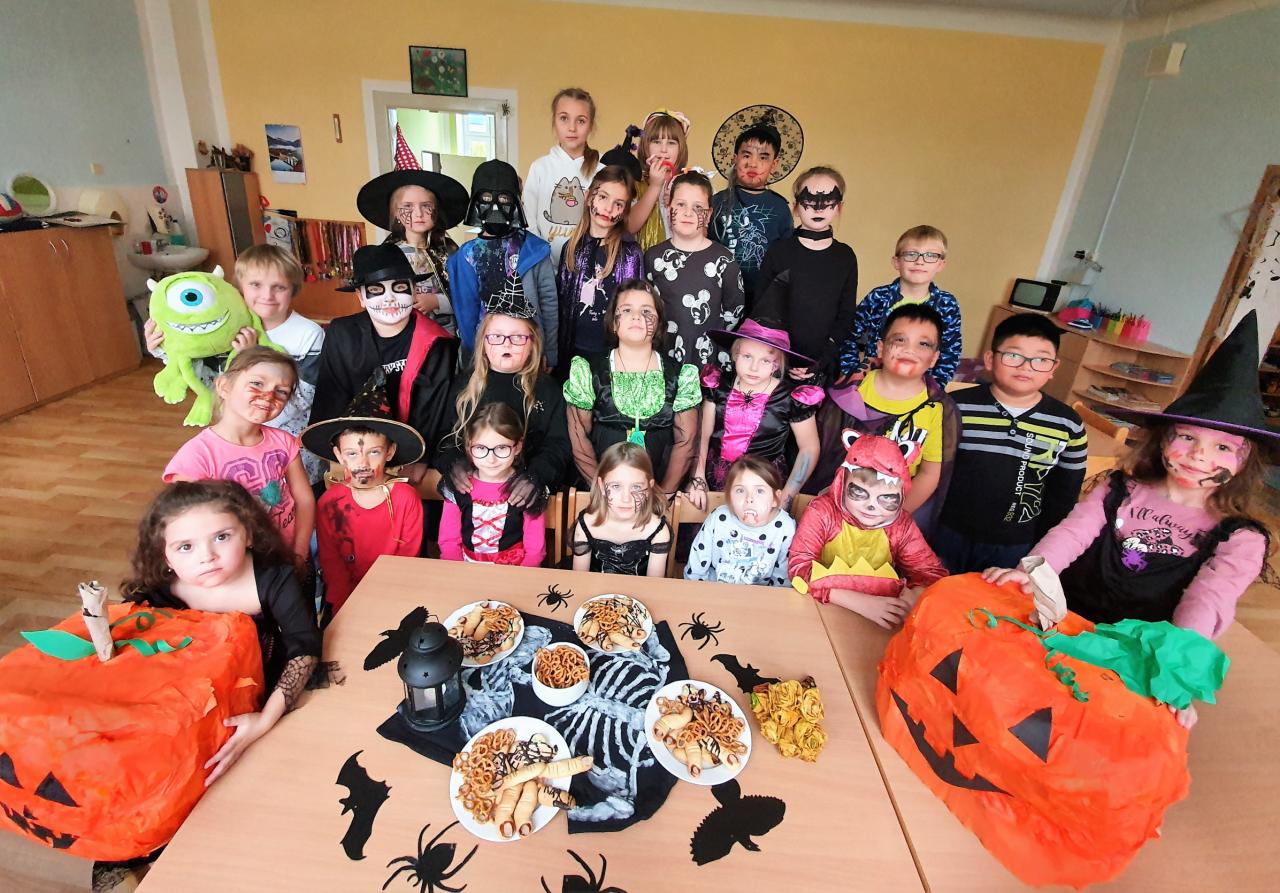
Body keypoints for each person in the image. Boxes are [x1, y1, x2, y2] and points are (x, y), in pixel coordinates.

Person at [983, 311, 1275, 727]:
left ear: (1246, 461)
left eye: (1223, 448)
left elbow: (1208, 601)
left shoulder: (1239, 538)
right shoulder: (1119, 488)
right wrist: (1032, 574)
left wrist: (1174, 670)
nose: (1199, 455)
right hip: (1063, 622)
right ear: (1163, 440)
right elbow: (1072, 534)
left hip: (1132, 656)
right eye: (1187, 437)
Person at [121, 480, 321, 784]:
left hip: (268, 695)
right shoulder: (155, 593)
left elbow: (304, 649)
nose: (207, 556)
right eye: (186, 547)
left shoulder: (275, 578)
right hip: (191, 707)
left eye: (222, 537)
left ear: (249, 534)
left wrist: (265, 720)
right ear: (165, 556)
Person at [145, 245, 326, 482]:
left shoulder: (308, 334)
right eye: (256, 285)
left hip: (292, 448)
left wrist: (251, 357)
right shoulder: (221, 328)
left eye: (279, 287)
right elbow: (208, 382)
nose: (267, 295)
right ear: (239, 287)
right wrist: (168, 350)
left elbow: (306, 397)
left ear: (293, 289)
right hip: (237, 442)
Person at [932, 313, 1087, 573]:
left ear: (1053, 368)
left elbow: (1064, 494)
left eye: (1041, 359)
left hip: (1017, 544)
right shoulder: (956, 407)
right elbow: (932, 471)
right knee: (936, 591)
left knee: (995, 598)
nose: (1026, 367)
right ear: (990, 359)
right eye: (1014, 355)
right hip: (948, 533)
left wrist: (1041, 549)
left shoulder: (1067, 424)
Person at [809, 303, 958, 539]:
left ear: (934, 358)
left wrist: (891, 518)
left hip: (890, 518)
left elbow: (929, 474)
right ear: (880, 347)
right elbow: (823, 454)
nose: (909, 350)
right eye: (899, 340)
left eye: (923, 344)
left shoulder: (937, 408)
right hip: (834, 511)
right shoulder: (849, 392)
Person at [309, 243, 457, 480]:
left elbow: (438, 409)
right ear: (361, 297)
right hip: (357, 454)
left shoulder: (438, 343)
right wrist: (341, 453)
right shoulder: (342, 334)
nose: (389, 298)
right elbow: (331, 398)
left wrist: (422, 457)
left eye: (400, 287)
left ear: (414, 292)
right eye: (376, 290)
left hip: (415, 455)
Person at [164, 347, 314, 563]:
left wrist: (300, 553)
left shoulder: (284, 442)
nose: (269, 395)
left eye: (282, 391)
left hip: (284, 557)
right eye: (257, 383)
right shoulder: (196, 457)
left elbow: (304, 500)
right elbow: (182, 523)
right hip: (232, 566)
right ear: (224, 387)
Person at [789, 434, 948, 629]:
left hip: (877, 621)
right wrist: (861, 602)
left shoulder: (901, 525)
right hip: (817, 609)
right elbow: (799, 570)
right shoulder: (822, 512)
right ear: (842, 484)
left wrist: (917, 593)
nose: (871, 506)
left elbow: (931, 573)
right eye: (859, 492)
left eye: (887, 498)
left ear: (901, 495)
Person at [563, 279, 701, 495]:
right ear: (613, 322)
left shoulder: (681, 374)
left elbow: (686, 442)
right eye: (626, 310)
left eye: (646, 311)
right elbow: (579, 439)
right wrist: (604, 494)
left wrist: (663, 496)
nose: (637, 316)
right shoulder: (588, 370)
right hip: (601, 493)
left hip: (660, 492)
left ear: (658, 324)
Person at [436, 296, 571, 510]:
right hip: (472, 494)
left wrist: (536, 476)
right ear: (484, 342)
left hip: (521, 496)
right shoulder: (464, 386)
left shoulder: (548, 390)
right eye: (496, 336)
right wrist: (453, 463)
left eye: (517, 337)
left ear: (532, 343)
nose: (506, 344)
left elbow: (558, 445)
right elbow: (444, 436)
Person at [302, 395, 425, 620]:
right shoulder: (330, 503)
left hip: (396, 595)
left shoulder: (406, 498)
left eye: (374, 452)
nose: (363, 463)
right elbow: (332, 565)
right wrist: (345, 610)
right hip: (345, 599)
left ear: (390, 452)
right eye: (352, 454)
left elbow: (407, 559)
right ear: (339, 455)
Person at [687, 317, 822, 509]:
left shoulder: (791, 398)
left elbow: (809, 448)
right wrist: (698, 478)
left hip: (764, 485)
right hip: (715, 478)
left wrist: (786, 498)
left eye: (765, 360)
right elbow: (703, 435)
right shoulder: (718, 386)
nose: (754, 367)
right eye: (747, 356)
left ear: (777, 364)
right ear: (735, 354)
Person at [449, 160, 559, 367]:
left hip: (530, 353)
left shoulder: (535, 250)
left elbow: (549, 306)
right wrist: (475, 361)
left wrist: (549, 352)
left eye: (504, 199)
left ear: (516, 202)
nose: (495, 207)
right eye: (486, 198)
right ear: (475, 202)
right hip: (485, 358)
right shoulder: (466, 257)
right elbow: (466, 316)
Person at [755, 166, 859, 376]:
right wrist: (780, 356)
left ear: (839, 207)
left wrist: (821, 360)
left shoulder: (845, 256)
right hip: (776, 360)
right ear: (796, 206)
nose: (818, 209)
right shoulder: (779, 251)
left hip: (824, 365)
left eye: (828, 201)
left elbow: (846, 314)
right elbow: (763, 307)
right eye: (809, 201)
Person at [837, 224, 962, 387]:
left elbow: (950, 352)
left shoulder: (947, 305)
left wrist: (935, 387)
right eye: (911, 254)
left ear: (940, 264)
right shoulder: (878, 297)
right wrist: (851, 374)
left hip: (919, 387)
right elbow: (850, 336)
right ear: (896, 262)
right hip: (875, 382)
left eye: (931, 255)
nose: (919, 261)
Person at [645, 170, 745, 366]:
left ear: (708, 215)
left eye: (698, 207)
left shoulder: (724, 259)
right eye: (680, 204)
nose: (688, 213)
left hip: (708, 360)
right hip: (663, 358)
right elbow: (647, 309)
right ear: (668, 208)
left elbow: (734, 310)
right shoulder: (653, 257)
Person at [356, 166, 469, 333]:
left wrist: (437, 301)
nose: (418, 213)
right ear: (396, 213)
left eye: (426, 206)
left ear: (436, 211)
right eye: (408, 206)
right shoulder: (388, 254)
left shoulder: (450, 252)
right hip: (406, 331)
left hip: (446, 332)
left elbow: (467, 295)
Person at [709, 105, 803, 303]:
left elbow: (785, 259)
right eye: (746, 155)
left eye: (763, 157)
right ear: (735, 159)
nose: (753, 163)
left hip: (763, 298)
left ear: (774, 164)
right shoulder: (717, 201)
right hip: (718, 294)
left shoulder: (780, 208)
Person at [556, 165, 643, 377]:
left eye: (618, 204)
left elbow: (637, 307)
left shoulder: (630, 253)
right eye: (603, 197)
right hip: (572, 354)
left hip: (613, 358)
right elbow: (561, 304)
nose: (608, 208)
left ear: (625, 211)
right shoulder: (571, 248)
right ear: (588, 198)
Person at [440, 403, 546, 567]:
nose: (491, 459)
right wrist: (457, 574)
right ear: (468, 447)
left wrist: (523, 577)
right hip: (466, 569)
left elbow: (535, 550)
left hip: (514, 571)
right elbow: (449, 541)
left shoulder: (526, 488)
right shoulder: (458, 486)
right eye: (481, 448)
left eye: (501, 448)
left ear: (518, 447)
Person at [684, 455, 795, 586]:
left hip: (761, 596)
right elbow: (696, 569)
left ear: (775, 499)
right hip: (715, 591)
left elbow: (782, 581)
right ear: (729, 497)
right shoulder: (719, 518)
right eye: (740, 490)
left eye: (760, 491)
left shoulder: (785, 527)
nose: (749, 498)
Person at [523, 87, 603, 265]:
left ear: (591, 125)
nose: (572, 128)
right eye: (564, 118)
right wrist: (542, 263)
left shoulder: (602, 171)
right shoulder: (539, 168)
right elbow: (529, 223)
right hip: (545, 270)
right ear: (554, 120)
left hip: (588, 271)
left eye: (581, 121)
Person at [570, 441, 672, 576]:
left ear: (649, 488)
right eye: (616, 486)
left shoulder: (657, 530)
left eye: (636, 487)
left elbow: (654, 584)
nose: (626, 498)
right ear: (602, 486)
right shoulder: (587, 525)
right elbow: (579, 579)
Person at [626, 109, 690, 251]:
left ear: (681, 148)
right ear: (645, 145)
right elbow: (629, 226)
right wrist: (655, 186)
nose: (663, 149)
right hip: (643, 260)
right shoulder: (633, 183)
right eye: (656, 141)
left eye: (671, 143)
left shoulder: (692, 183)